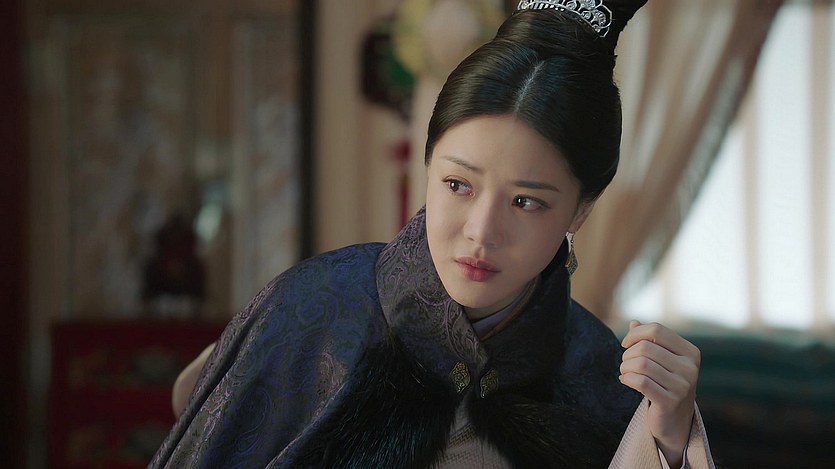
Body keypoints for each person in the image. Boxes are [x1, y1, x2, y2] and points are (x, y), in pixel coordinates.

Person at [152, 0, 715, 467]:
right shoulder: (309, 312)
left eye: (526, 202)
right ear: (427, 168)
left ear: (580, 212)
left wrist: (667, 438)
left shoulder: (597, 372)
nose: (481, 232)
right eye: (458, 184)